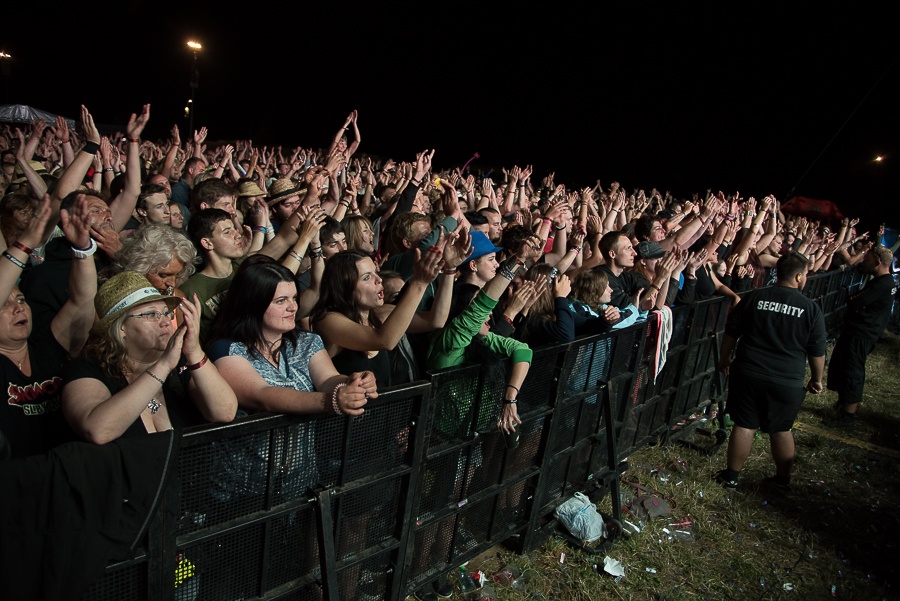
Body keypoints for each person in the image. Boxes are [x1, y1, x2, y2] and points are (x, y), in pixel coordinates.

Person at [61, 272, 237, 444]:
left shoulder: (181, 360)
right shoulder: (87, 368)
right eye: (151, 314)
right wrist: (163, 366)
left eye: (167, 313)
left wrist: (194, 351)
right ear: (121, 327)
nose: (166, 321)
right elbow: (98, 431)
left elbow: (225, 412)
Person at [715, 251, 826, 490]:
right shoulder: (810, 309)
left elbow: (731, 333)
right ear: (798, 276)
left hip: (748, 372)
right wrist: (817, 379)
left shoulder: (755, 297)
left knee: (744, 424)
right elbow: (817, 351)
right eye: (805, 274)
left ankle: (732, 476)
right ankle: (782, 480)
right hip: (786, 379)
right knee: (781, 428)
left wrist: (724, 359)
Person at [0, 195, 96, 459]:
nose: (18, 308)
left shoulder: (46, 345)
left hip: (65, 478)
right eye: (4, 305)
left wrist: (83, 251)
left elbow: (82, 301)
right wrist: (24, 245)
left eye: (21, 299)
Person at [825, 244, 896, 426]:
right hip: (862, 331)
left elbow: (855, 301)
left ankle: (847, 415)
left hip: (862, 333)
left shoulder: (882, 284)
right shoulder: (886, 282)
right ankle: (844, 405)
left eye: (868, 259)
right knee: (845, 366)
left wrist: (852, 300)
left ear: (878, 262)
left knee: (853, 370)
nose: (864, 261)